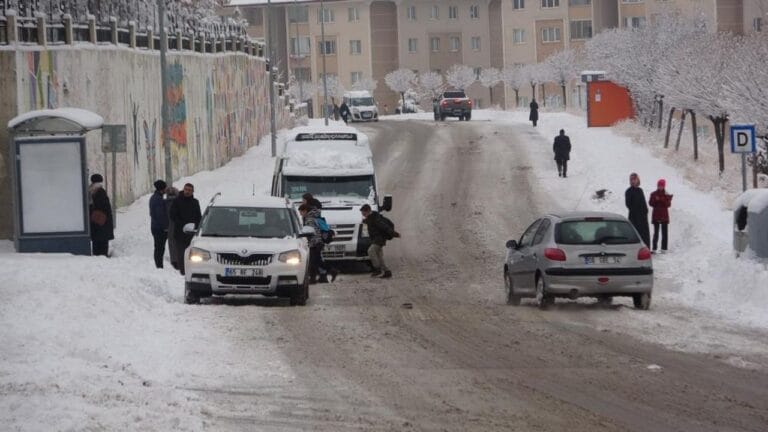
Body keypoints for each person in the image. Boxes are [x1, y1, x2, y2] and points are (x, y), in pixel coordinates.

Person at [169, 183, 201, 275]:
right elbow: (172, 215)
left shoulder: (195, 202)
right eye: (186, 189)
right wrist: (181, 224)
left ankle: (193, 270)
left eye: (189, 190)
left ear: (192, 192)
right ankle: (183, 271)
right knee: (181, 253)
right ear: (183, 190)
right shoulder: (177, 201)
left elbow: (198, 216)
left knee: (193, 254)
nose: (187, 191)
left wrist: (196, 227)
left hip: (192, 233)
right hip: (180, 233)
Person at [360, 204, 399, 278]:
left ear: (368, 211)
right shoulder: (370, 218)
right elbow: (368, 221)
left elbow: (385, 227)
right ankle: (387, 272)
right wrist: (364, 221)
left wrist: (394, 234)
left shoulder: (376, 219)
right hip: (376, 239)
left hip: (379, 240)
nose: (363, 214)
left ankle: (377, 269)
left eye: (363, 213)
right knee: (379, 257)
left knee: (370, 251)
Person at [299, 204, 330, 284]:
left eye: (301, 212)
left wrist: (310, 242)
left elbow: (311, 232)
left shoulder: (309, 219)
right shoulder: (314, 216)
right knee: (317, 261)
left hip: (315, 243)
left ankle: (313, 278)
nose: (300, 214)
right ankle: (323, 276)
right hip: (318, 242)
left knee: (312, 262)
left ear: (305, 211)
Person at [88, 173, 114, 257]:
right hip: (101, 221)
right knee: (101, 242)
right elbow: (103, 206)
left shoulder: (94, 191)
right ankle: (102, 255)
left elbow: (96, 205)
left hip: (98, 221)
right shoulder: (100, 191)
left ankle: (99, 255)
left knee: (98, 242)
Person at [625, 173, 650, 247]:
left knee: (644, 234)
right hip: (634, 217)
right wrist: (636, 211)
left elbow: (644, 203)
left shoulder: (640, 190)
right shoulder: (628, 191)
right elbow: (628, 204)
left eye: (634, 179)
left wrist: (645, 211)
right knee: (635, 234)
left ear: (637, 180)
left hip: (643, 217)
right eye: (631, 179)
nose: (633, 181)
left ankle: (646, 249)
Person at [648, 179, 673, 253]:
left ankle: (664, 248)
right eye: (659, 185)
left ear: (664, 186)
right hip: (656, 215)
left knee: (664, 232)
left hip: (664, 216)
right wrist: (655, 200)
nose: (660, 187)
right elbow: (650, 203)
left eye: (661, 185)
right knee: (656, 232)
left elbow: (668, 205)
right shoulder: (653, 194)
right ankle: (654, 248)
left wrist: (661, 199)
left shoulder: (667, 194)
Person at [149, 180, 169, 268]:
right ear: (162, 189)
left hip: (156, 227)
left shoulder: (156, 197)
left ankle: (159, 265)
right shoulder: (158, 199)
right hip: (159, 229)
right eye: (165, 188)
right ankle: (159, 266)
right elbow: (160, 215)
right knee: (159, 248)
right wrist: (165, 227)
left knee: (159, 247)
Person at [164, 186, 180, 269]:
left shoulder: (165, 203)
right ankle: (178, 260)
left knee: (171, 243)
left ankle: (173, 260)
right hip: (178, 226)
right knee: (177, 243)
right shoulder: (179, 203)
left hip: (170, 226)